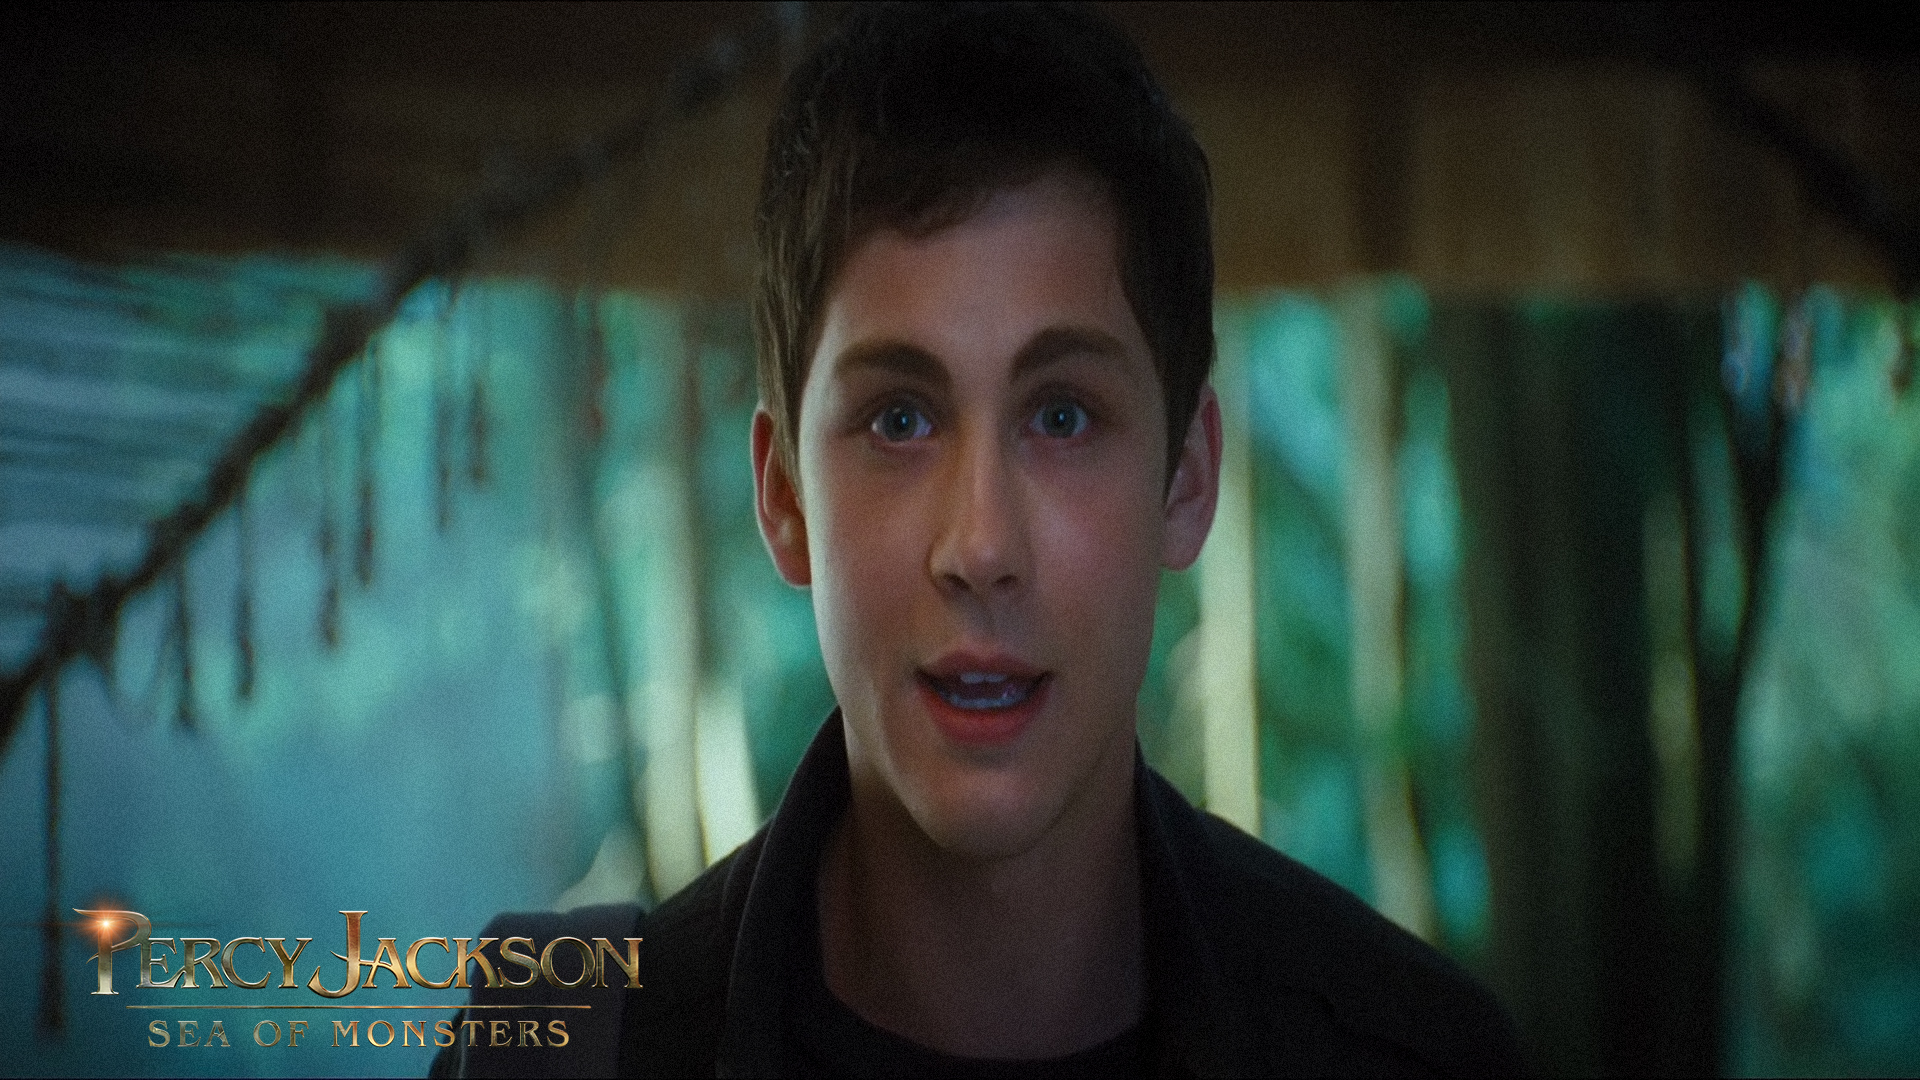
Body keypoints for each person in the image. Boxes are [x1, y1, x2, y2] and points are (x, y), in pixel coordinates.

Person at [437, 4, 1526, 1076]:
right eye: (899, 421)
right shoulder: (565, 1051)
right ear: (784, 497)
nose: (981, 545)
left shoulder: (1416, 1055)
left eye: (1063, 417)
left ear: (1187, 480)